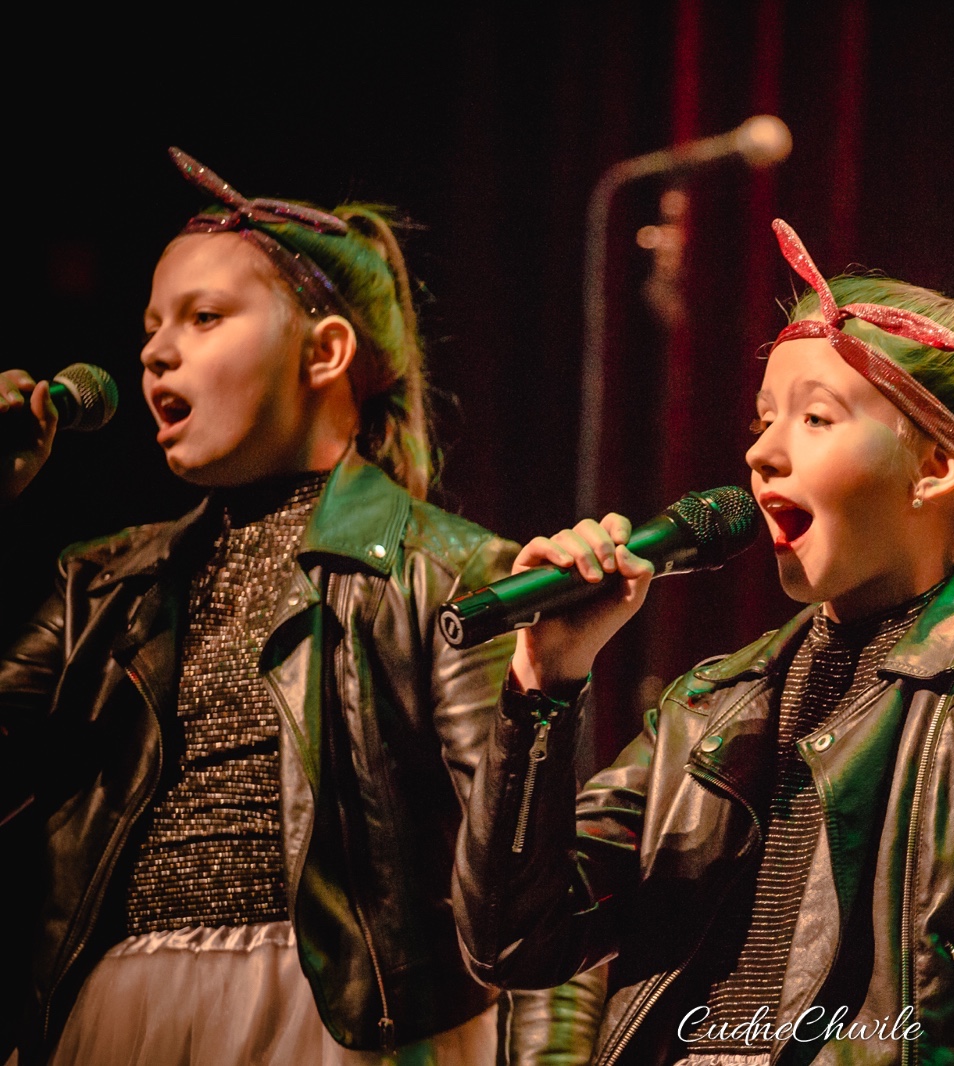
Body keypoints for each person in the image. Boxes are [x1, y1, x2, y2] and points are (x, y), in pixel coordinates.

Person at [452, 220, 954, 1065]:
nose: (762, 451)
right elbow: (512, 943)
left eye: (815, 418)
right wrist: (544, 681)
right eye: (764, 417)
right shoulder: (707, 711)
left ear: (936, 467)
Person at [0, 149, 599, 1065]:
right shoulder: (102, 585)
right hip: (124, 1018)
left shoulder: (443, 572)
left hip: (344, 1023)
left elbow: (527, 875)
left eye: (204, 317)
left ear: (325, 352)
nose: (156, 351)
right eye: (152, 326)